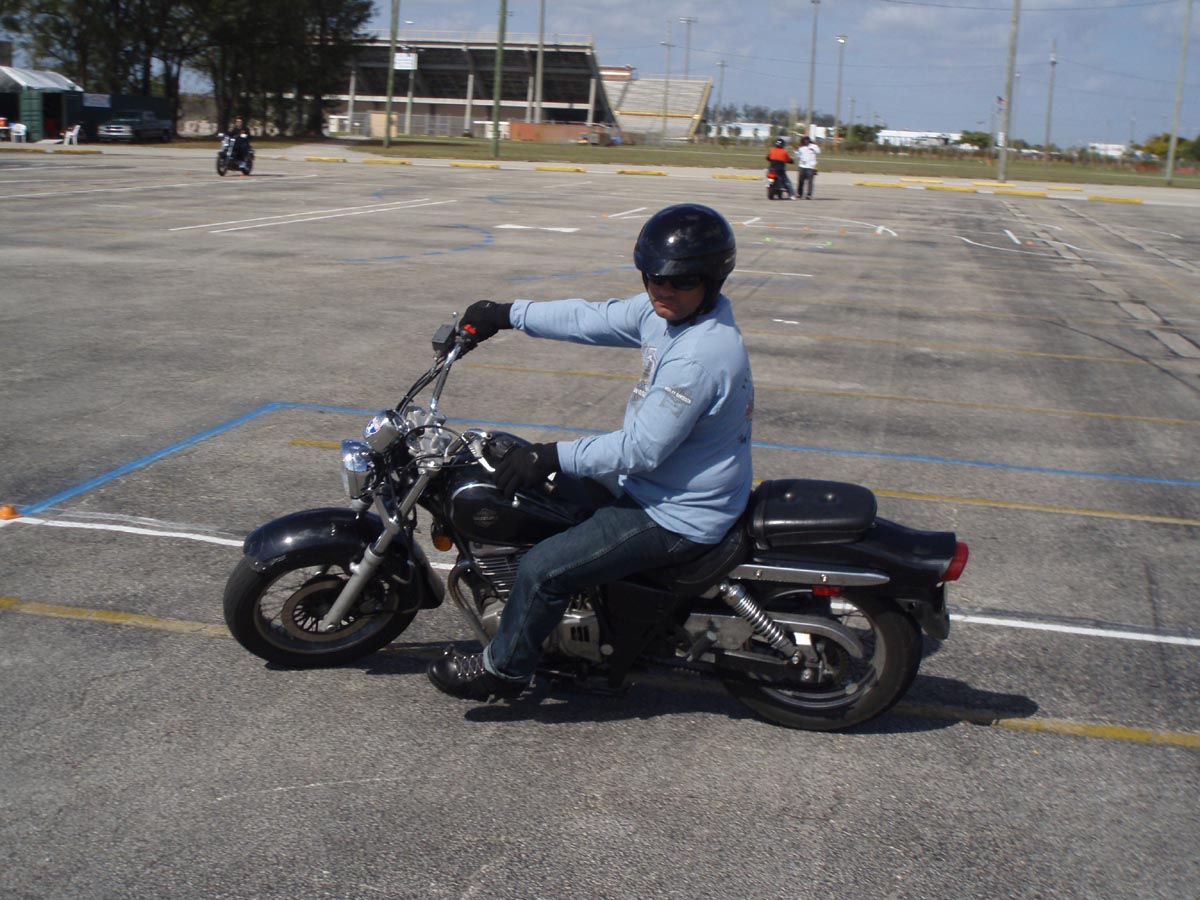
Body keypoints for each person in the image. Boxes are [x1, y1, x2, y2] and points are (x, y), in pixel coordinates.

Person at [427, 203, 756, 701]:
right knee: (546, 502)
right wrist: (506, 314)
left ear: (711, 280)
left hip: (675, 512)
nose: (663, 289)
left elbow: (641, 448)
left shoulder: (700, 356)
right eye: (654, 277)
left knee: (543, 569)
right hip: (661, 485)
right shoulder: (669, 316)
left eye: (682, 280)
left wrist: (548, 456)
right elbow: (591, 317)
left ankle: (505, 671)